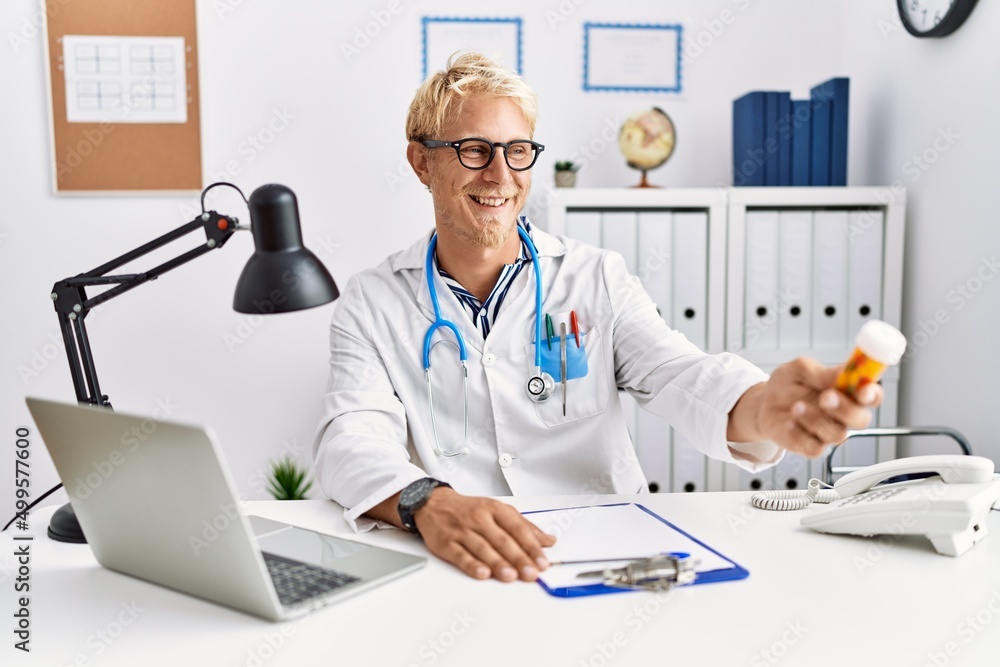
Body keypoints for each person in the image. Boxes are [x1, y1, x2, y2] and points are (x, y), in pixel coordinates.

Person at [312, 53, 880, 584]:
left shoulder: (595, 278)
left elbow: (678, 375)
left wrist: (761, 408)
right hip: (465, 563)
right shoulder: (372, 302)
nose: (500, 174)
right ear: (421, 161)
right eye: (474, 150)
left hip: (607, 558)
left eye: (517, 150)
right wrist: (428, 502)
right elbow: (349, 438)